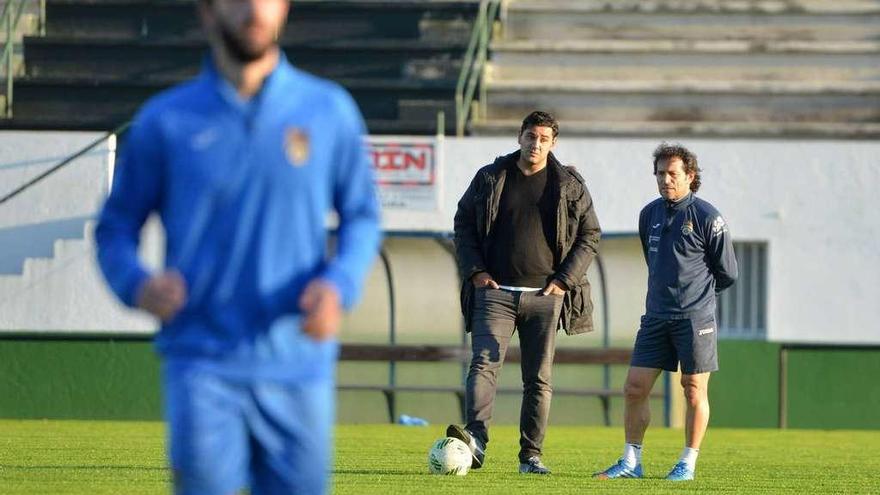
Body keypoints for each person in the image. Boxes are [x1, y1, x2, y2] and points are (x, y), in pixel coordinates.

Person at [94, 0, 381, 493]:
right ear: (207, 13)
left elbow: (362, 217)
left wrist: (338, 284)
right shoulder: (167, 119)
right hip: (202, 364)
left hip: (298, 363)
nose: (254, 8)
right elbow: (114, 227)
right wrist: (138, 285)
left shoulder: (327, 109)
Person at [447, 111, 601, 474]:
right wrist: (476, 271)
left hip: (546, 298)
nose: (536, 144)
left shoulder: (568, 184)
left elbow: (590, 235)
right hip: (494, 293)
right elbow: (463, 222)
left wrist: (563, 280)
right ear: (520, 137)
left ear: (553, 143)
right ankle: (476, 440)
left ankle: (530, 456)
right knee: (483, 365)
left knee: (539, 379)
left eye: (544, 139)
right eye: (531, 136)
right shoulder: (490, 176)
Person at [595, 143, 737, 482]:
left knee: (692, 389)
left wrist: (697, 298)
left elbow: (727, 272)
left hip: (695, 318)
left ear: (690, 176)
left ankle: (687, 462)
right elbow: (655, 261)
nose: (665, 180)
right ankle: (631, 462)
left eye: (672, 173)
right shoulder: (649, 214)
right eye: (660, 173)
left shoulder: (708, 217)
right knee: (634, 388)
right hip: (656, 317)